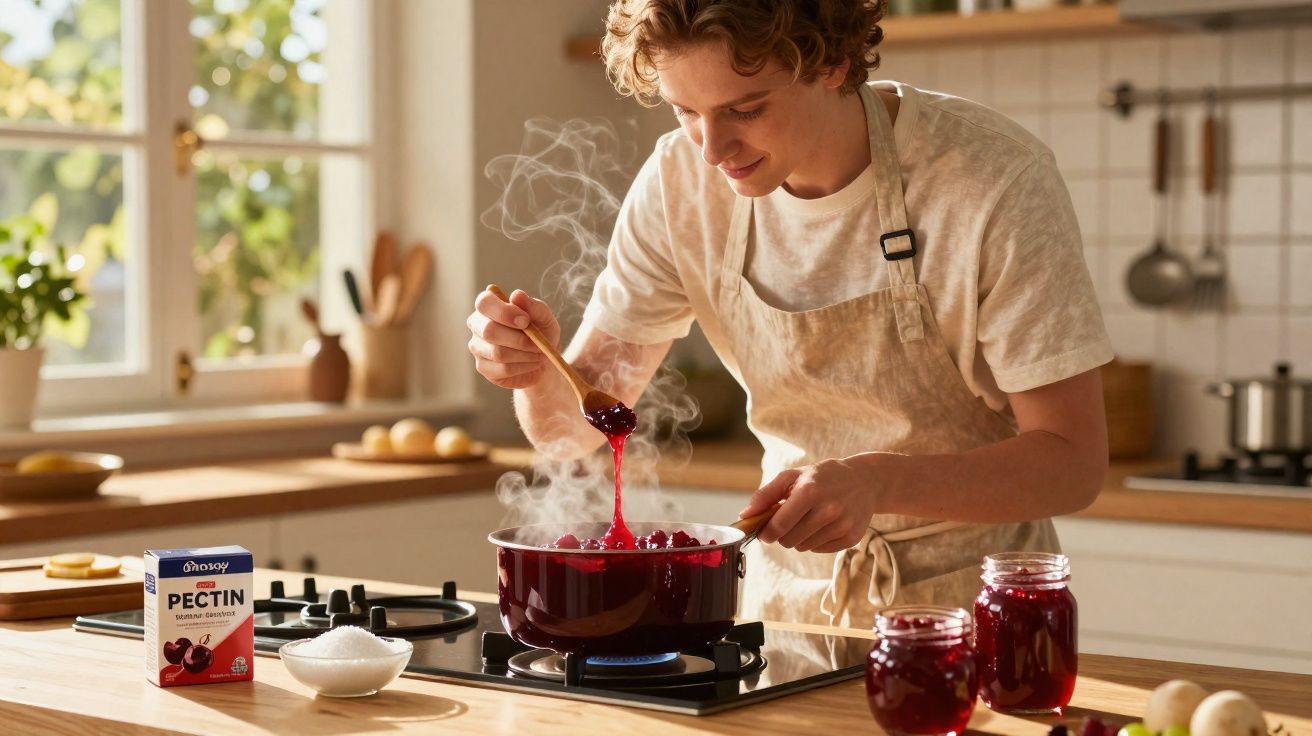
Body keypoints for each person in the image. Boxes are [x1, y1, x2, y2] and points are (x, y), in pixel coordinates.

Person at [467, 0, 1112, 664]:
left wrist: (877, 482)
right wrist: (535, 372)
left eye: (744, 110)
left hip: (972, 619)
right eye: (686, 112)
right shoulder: (679, 184)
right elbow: (569, 433)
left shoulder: (991, 179)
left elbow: (1072, 462)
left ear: (831, 61)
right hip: (786, 621)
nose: (713, 150)